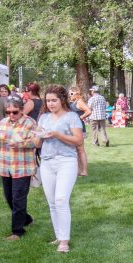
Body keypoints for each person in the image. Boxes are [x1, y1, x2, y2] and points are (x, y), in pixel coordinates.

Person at [37, 85, 84, 253]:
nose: (50, 103)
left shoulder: (72, 116)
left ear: (62, 100)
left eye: (53, 100)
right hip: (47, 162)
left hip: (66, 161)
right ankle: (58, 236)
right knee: (52, 202)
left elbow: (78, 140)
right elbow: (37, 143)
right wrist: (36, 135)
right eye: (48, 100)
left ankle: (65, 241)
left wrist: (57, 135)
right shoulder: (43, 118)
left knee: (61, 200)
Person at [0, 96, 39, 240]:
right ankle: (27, 219)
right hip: (5, 166)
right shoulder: (2, 122)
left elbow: (35, 143)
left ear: (22, 110)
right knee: (9, 198)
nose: (11, 115)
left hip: (22, 167)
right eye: (8, 112)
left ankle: (18, 232)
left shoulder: (30, 123)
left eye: (14, 112)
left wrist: (13, 142)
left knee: (18, 199)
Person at [68, 86, 90, 177]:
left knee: (81, 150)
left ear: (76, 93)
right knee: (76, 150)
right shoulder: (73, 102)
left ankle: (84, 171)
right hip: (74, 128)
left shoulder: (79, 101)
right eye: (69, 93)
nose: (69, 95)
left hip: (79, 129)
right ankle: (79, 170)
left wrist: (80, 118)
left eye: (71, 93)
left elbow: (88, 111)